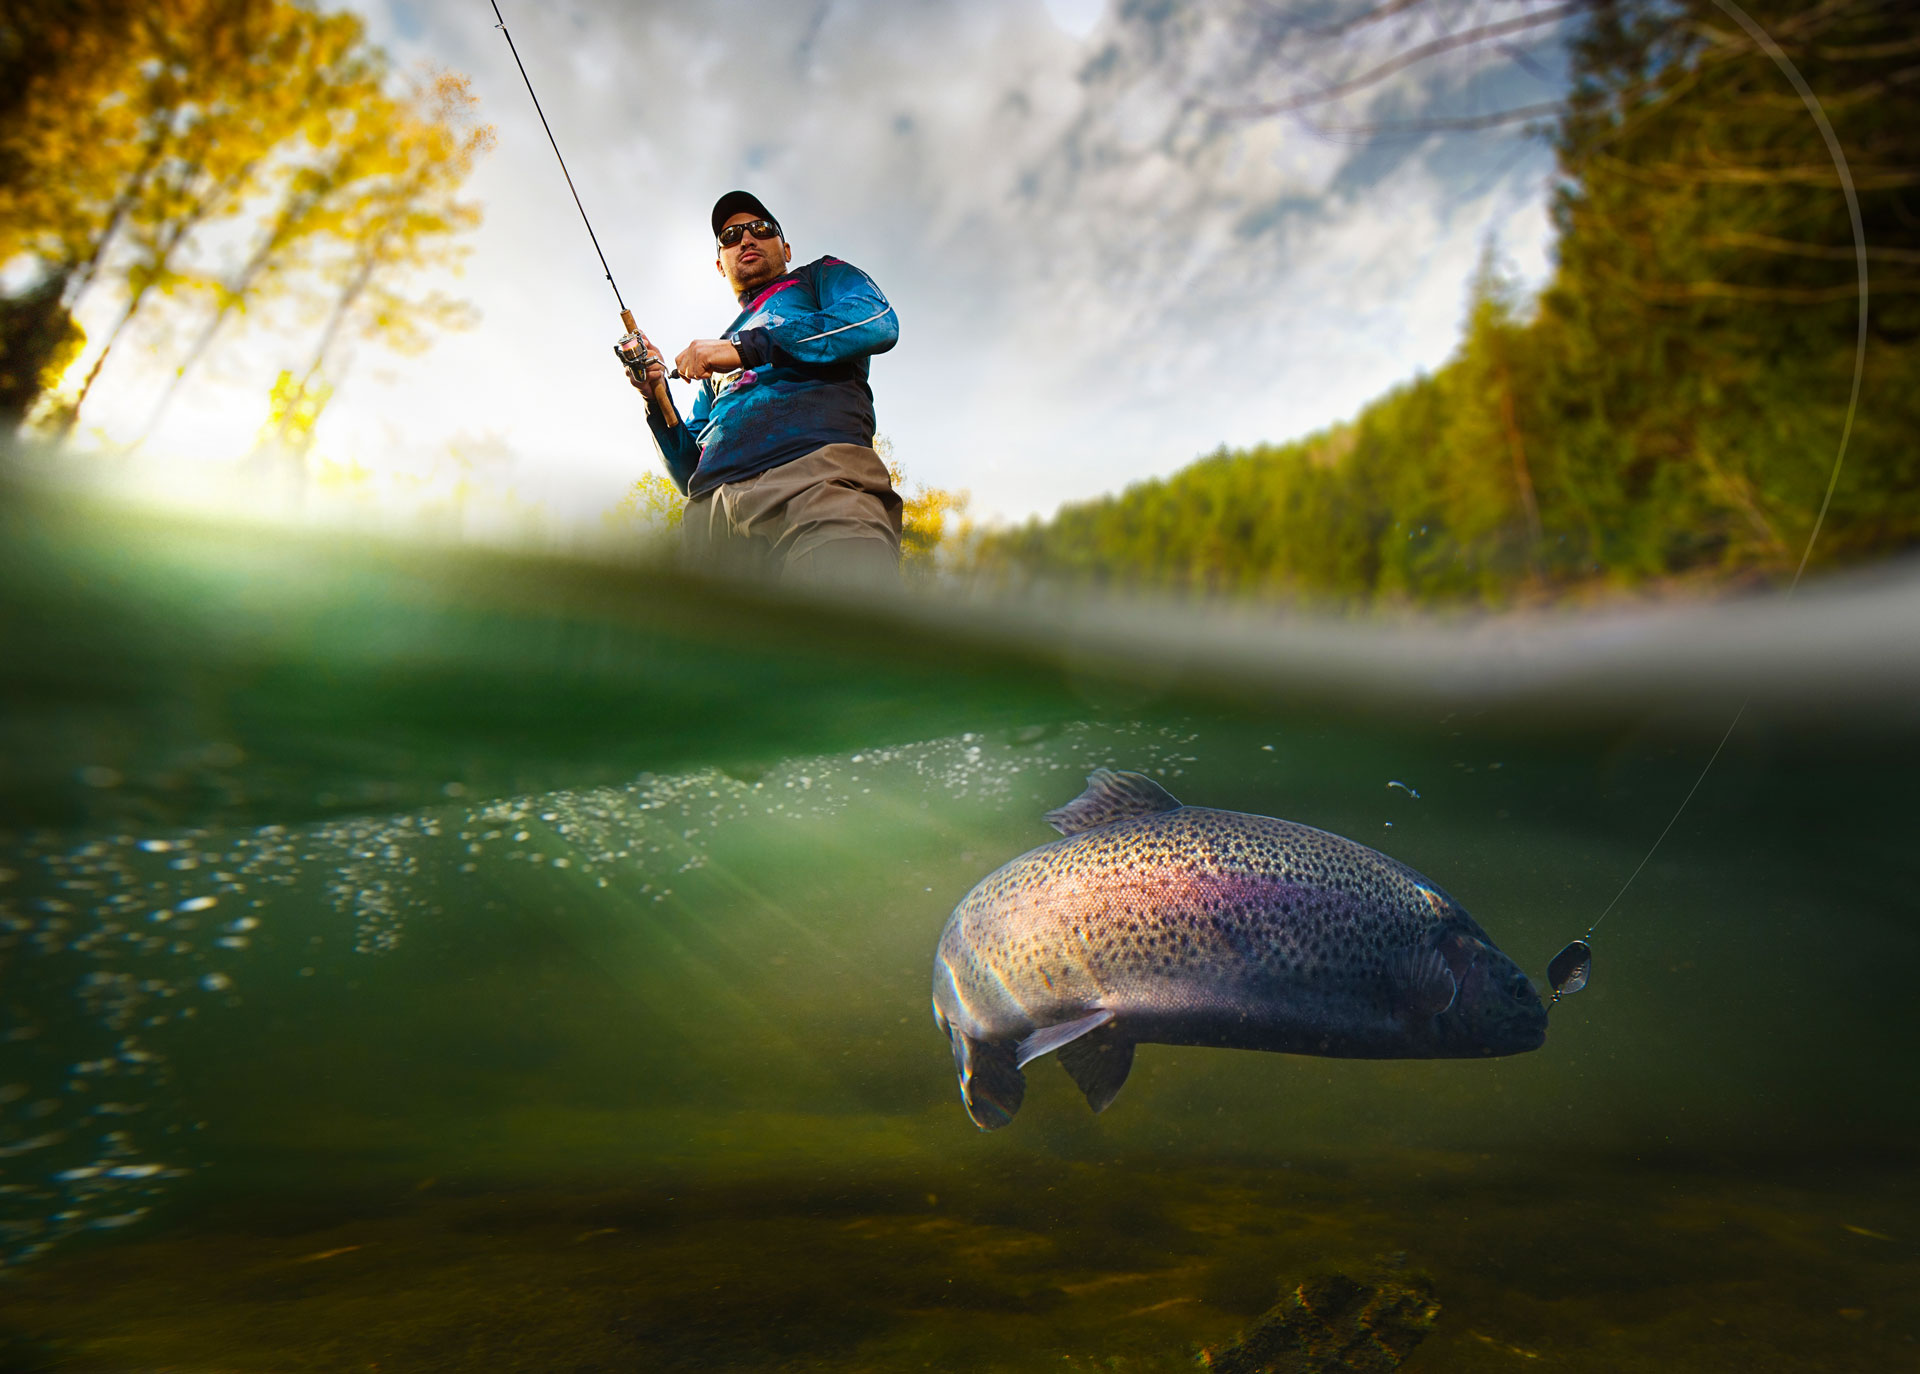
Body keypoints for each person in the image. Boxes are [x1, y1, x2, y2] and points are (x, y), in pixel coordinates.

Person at [618, 191, 903, 583]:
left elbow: (876, 320)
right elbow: (689, 473)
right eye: (731, 236)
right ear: (720, 264)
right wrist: (656, 396)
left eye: (760, 229)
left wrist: (743, 347)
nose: (746, 239)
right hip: (710, 526)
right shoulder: (719, 359)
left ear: (784, 247)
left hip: (817, 485)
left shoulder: (818, 277)